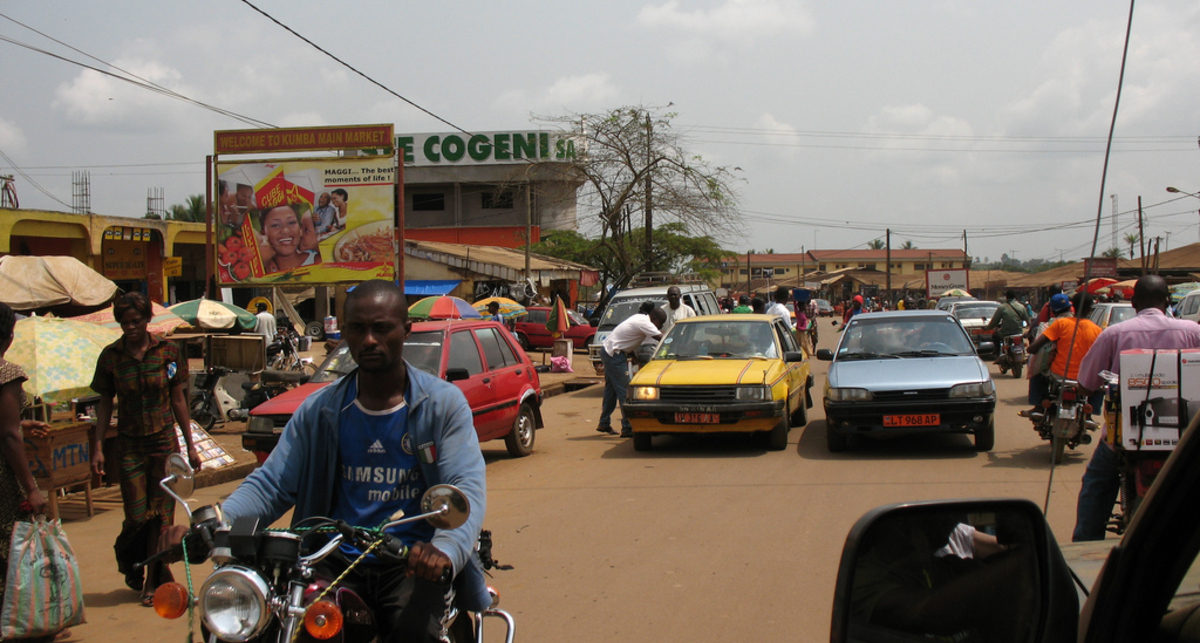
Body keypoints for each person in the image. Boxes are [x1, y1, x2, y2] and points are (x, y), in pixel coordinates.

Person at [213, 280, 489, 642]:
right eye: (358, 329)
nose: (369, 340)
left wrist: (446, 548)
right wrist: (219, 521)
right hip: (333, 561)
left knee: (415, 633)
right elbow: (273, 483)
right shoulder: (321, 410)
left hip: (411, 563)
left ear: (405, 331)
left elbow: (464, 486)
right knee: (292, 626)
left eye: (382, 328)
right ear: (343, 333)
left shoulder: (441, 405)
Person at [90, 292, 200, 607]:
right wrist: (97, 447)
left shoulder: (167, 352)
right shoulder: (111, 357)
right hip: (128, 446)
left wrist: (191, 446)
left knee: (161, 517)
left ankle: (152, 580)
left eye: (136, 321)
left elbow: (179, 400)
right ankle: (129, 560)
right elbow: (103, 405)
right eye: (124, 323)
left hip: (164, 443)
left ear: (147, 320)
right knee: (137, 516)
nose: (130, 328)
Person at [1072, 275, 1200, 541]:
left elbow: (1086, 384)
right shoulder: (1192, 331)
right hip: (1185, 435)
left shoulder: (1114, 334)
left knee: (1096, 486)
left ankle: (1083, 548)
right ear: (1168, 301)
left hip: (1124, 438)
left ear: (1133, 302)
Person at [0, 303, 59, 642]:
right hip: (4, 482)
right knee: (13, 551)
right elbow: (7, 437)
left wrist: (20, 422)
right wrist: (32, 488)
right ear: (9, 336)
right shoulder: (7, 374)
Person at [1023, 292, 1102, 416]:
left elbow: (1035, 347)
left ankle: (1038, 406)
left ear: (1073, 306)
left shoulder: (1061, 324)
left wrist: (1030, 349)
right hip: (1084, 379)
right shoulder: (1097, 330)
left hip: (1058, 375)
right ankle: (1091, 413)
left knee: (1036, 374)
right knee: (1101, 384)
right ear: (1090, 309)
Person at [597, 305, 665, 438]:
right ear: (654, 318)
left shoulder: (639, 317)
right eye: (660, 323)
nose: (660, 327)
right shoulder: (645, 323)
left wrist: (633, 355)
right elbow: (661, 338)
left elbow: (627, 337)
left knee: (611, 391)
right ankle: (627, 427)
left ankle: (604, 422)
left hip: (610, 351)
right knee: (625, 392)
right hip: (614, 354)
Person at [259, 204, 321, 274]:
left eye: (291, 223)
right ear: (263, 233)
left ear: (300, 229)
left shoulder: (318, 260)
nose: (286, 231)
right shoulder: (260, 270)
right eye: (275, 225)